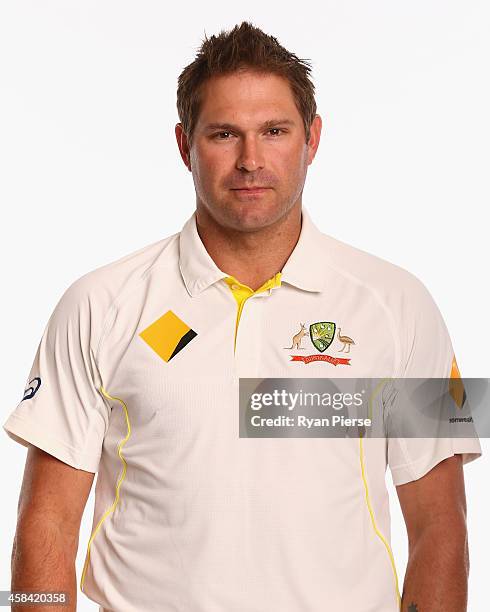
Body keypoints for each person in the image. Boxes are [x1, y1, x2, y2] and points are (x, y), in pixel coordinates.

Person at [3, 21, 482, 612]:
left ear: (313, 139)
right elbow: (44, 524)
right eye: (225, 134)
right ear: (184, 145)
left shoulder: (405, 305)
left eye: (274, 131)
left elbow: (443, 526)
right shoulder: (96, 304)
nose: (251, 160)